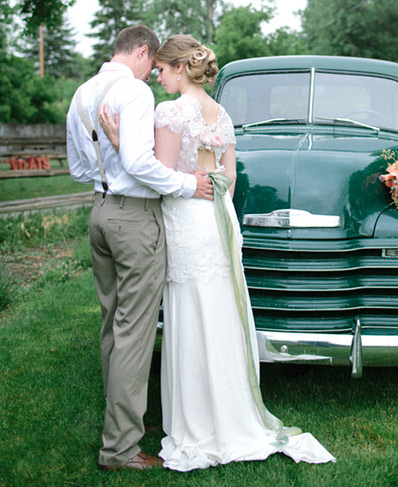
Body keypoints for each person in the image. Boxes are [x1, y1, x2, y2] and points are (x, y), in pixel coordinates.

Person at [99, 34, 335, 471]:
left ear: (177, 67)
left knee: (191, 313)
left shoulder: (170, 112)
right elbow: (228, 176)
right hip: (217, 219)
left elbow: (158, 174)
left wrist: (118, 144)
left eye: (163, 71)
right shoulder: (222, 114)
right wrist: (208, 184)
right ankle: (229, 412)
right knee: (218, 311)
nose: (158, 78)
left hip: (186, 220)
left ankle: (197, 422)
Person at [66, 25, 214, 472]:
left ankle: (121, 421)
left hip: (100, 212)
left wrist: (109, 163)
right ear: (144, 52)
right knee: (135, 332)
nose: (155, 73)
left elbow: (77, 167)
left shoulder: (82, 94)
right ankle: (120, 447)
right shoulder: (134, 93)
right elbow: (138, 162)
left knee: (114, 324)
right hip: (133, 220)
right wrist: (189, 184)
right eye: (155, 63)